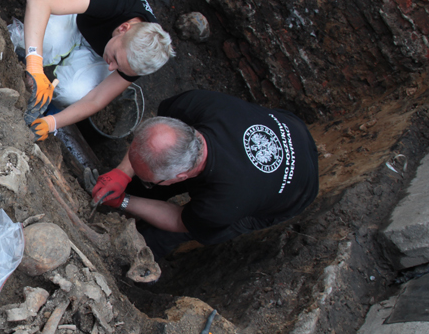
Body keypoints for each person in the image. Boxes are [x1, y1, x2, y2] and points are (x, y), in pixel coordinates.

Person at [91, 90, 320, 264]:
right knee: (149, 178)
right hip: (290, 125)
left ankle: (135, 256)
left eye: (153, 180)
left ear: (181, 176)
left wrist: (124, 202)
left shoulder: (224, 204)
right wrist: (123, 173)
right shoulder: (196, 105)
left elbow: (180, 220)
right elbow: (150, 137)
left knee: (179, 232)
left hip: (296, 188)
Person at [21, 0, 175, 140]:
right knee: (47, 42)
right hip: (79, 14)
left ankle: (46, 97)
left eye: (119, 68)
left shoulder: (142, 57)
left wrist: (51, 123)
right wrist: (35, 66)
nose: (111, 68)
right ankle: (20, 58)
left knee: (72, 92)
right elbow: (38, 2)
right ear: (123, 28)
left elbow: (96, 100)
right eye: (115, 59)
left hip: (99, 51)